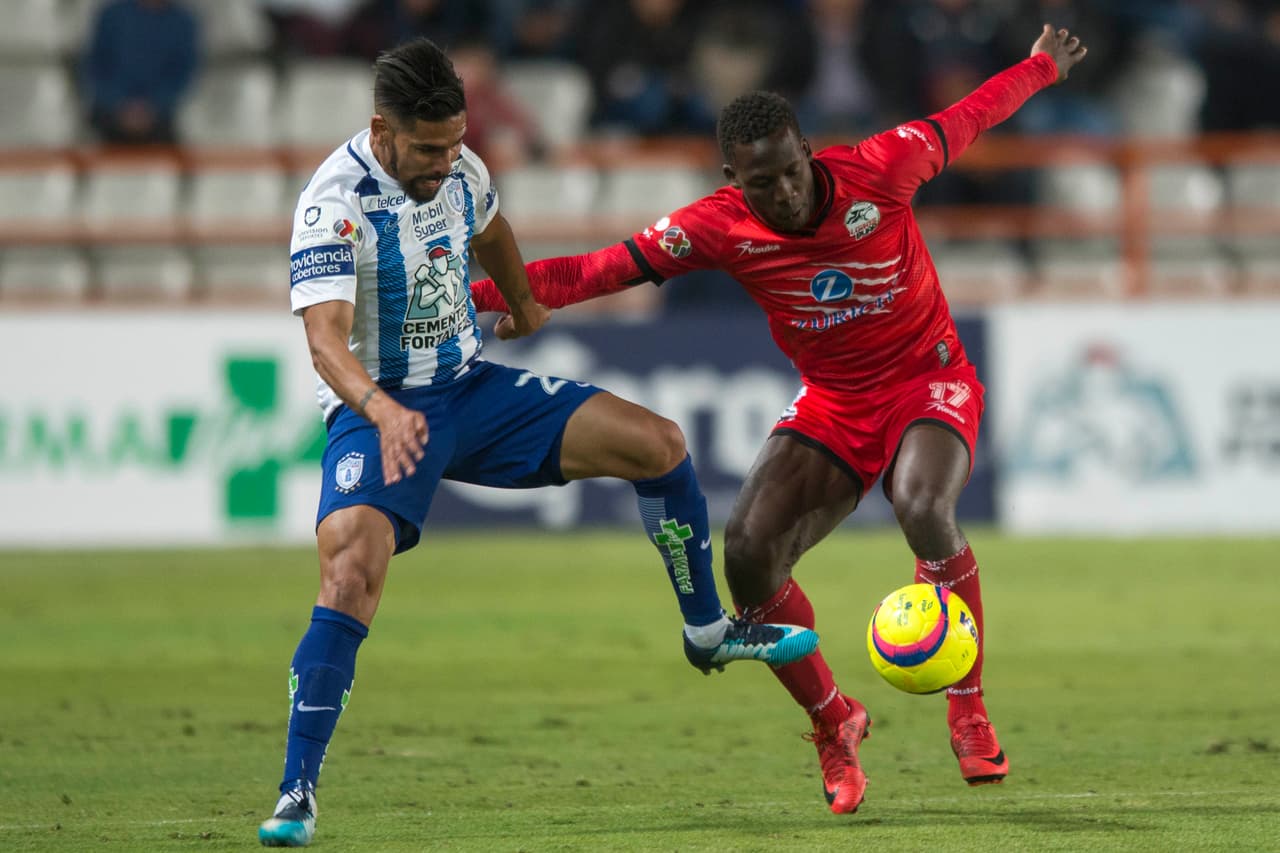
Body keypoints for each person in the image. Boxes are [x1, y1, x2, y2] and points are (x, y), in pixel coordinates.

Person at [471, 25, 1089, 815]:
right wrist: (480, 292)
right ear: (735, 178)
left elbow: (971, 114)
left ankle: (966, 703)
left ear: (809, 151)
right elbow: (595, 270)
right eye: (763, 185)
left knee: (922, 503)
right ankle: (836, 722)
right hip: (834, 402)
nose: (785, 195)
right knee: (748, 553)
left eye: (793, 173)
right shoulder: (719, 224)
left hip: (928, 380)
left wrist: (1040, 66)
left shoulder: (882, 167)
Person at [257, 37, 818, 848]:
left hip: (472, 391)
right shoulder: (332, 203)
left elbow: (490, 227)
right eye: (427, 148)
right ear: (381, 129)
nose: (445, 163)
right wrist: (382, 411)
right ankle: (297, 791)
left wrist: (523, 301)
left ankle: (707, 631)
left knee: (658, 443)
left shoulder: (462, 168)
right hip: (381, 412)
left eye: (454, 145)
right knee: (348, 574)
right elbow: (325, 343)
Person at [79, 0, 201, 145]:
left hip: (159, 121)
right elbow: (93, 66)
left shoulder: (184, 21)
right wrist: (120, 104)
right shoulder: (111, 15)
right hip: (108, 118)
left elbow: (184, 73)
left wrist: (152, 107)